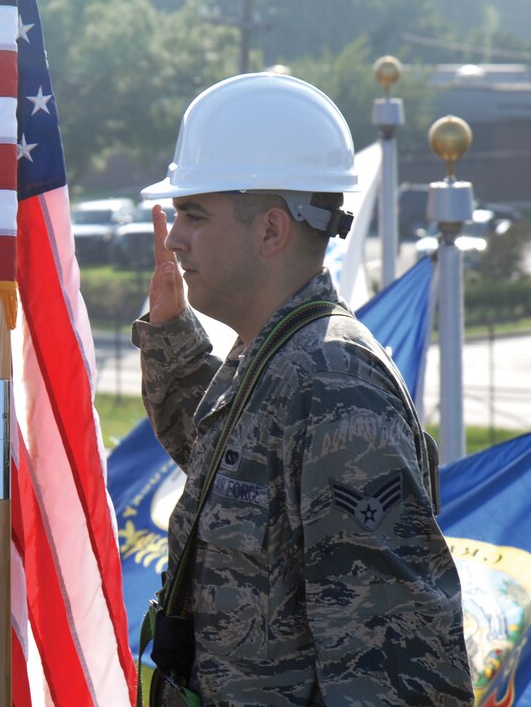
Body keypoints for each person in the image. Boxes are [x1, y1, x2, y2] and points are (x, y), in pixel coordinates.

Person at [133, 72, 473, 705]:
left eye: (193, 213)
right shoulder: (279, 355)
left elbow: (395, 671)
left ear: (270, 230)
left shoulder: (335, 381)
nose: (175, 236)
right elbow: (228, 474)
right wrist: (169, 337)